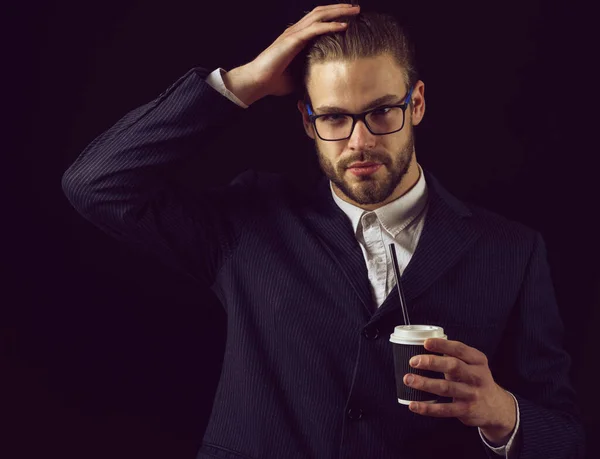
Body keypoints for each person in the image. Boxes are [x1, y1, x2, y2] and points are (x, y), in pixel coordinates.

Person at [61, 3, 585, 458]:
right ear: (308, 121)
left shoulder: (512, 250)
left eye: (381, 111)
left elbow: (568, 439)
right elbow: (96, 183)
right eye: (334, 118)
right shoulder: (249, 223)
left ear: (417, 103)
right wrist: (241, 83)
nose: (358, 141)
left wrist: (501, 414)